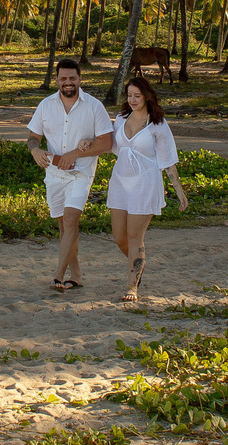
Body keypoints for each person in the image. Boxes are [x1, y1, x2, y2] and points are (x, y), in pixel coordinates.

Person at [80, 76, 188, 303]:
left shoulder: (157, 124)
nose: (133, 100)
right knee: (119, 237)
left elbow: (168, 160)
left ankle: (132, 286)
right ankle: (138, 262)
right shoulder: (121, 118)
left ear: (147, 96)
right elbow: (108, 141)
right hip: (121, 181)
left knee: (134, 236)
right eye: (129, 96)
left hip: (145, 182)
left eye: (137, 96)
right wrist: (88, 141)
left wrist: (179, 191)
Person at [26, 58, 113, 292]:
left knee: (72, 220)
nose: (68, 82)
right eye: (63, 78)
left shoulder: (94, 106)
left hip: (81, 174)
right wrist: (35, 150)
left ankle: (58, 275)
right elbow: (33, 137)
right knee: (65, 228)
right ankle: (76, 276)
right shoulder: (45, 105)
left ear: (80, 79)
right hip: (53, 175)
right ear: (57, 80)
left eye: (72, 78)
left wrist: (75, 154)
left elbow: (106, 142)